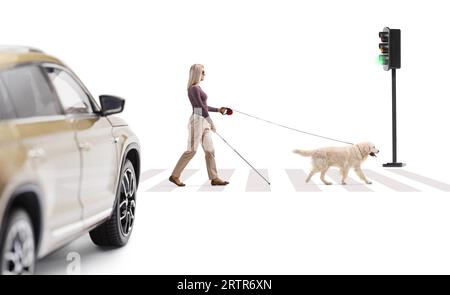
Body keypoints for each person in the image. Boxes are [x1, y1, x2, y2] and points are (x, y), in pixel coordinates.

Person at [169, 64, 231, 186]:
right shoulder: (193, 89)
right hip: (197, 121)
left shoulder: (198, 88)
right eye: (202, 72)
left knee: (210, 150)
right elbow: (199, 107)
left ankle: (214, 178)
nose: (204, 74)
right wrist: (211, 121)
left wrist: (218, 109)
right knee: (192, 150)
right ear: (196, 73)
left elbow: (204, 106)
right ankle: (174, 175)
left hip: (204, 121)